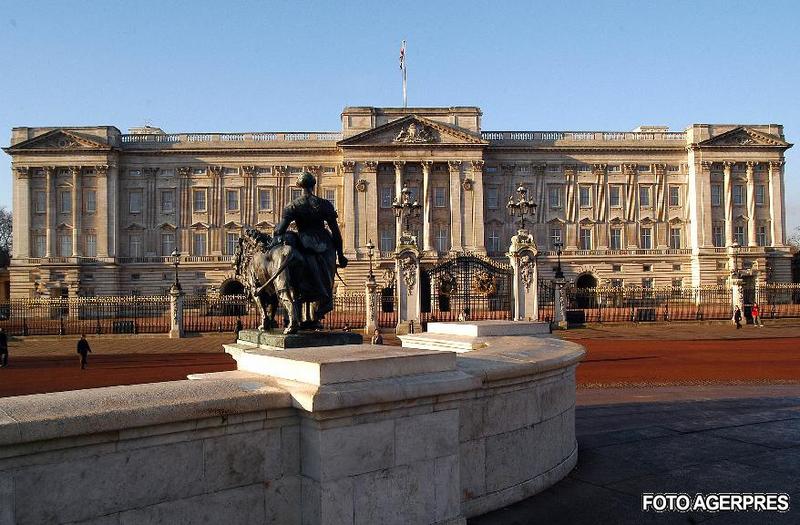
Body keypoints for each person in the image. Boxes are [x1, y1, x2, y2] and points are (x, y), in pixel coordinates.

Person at [272, 172, 348, 329]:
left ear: (299, 186)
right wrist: (340, 255)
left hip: (303, 244)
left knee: (297, 282)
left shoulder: (293, 205)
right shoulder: (325, 204)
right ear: (313, 185)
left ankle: (297, 317)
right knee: (324, 284)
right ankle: (314, 317)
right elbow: (336, 233)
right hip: (325, 246)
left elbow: (280, 230)